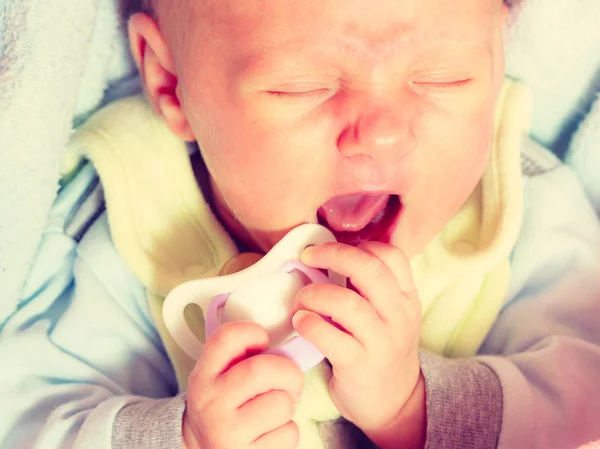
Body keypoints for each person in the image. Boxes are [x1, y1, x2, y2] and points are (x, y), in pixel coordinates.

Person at [1, 0, 600, 448]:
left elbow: (584, 399)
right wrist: (179, 436)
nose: (383, 132)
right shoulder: (131, 219)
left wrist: (416, 409)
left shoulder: (519, 203)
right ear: (171, 83)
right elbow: (25, 416)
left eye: (444, 78)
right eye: (301, 87)